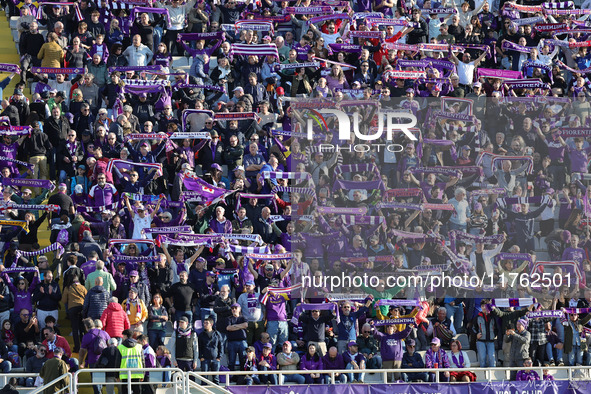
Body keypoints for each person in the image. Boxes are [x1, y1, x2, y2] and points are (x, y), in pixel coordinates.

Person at [61, 274, 87, 353]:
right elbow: (87, 297)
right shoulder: (83, 287)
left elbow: (64, 300)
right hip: (82, 308)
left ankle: (77, 347)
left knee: (75, 329)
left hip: (72, 309)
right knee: (82, 329)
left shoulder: (67, 288)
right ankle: (84, 347)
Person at [116, 329, 145, 394]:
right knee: (137, 392)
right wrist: (143, 374)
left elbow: (118, 362)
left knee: (125, 392)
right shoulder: (139, 347)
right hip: (137, 374)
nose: (122, 338)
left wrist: (117, 376)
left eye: (123, 336)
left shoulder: (120, 347)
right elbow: (143, 361)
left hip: (124, 375)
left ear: (125, 336)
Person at [197, 316, 223, 385]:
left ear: (211, 324)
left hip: (215, 359)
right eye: (204, 323)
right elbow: (199, 347)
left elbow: (221, 346)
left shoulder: (217, 334)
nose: (204, 324)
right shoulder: (201, 335)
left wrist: (219, 357)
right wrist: (200, 357)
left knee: (216, 378)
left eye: (206, 323)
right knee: (204, 378)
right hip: (205, 359)